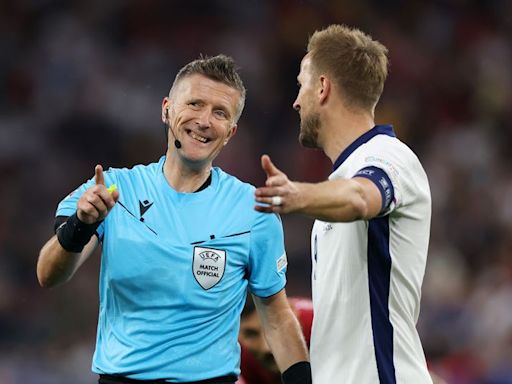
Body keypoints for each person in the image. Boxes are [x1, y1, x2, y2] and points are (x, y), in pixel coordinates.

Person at [37, 55, 311, 384]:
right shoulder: (112, 188)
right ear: (166, 109)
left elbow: (277, 317)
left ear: (231, 132)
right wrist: (80, 225)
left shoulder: (253, 210)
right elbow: (48, 274)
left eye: (220, 113)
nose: (205, 120)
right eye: (195, 103)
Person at [254, 25, 433, 383]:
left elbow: (360, 197)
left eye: (301, 83)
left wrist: (296, 195)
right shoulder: (342, 177)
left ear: (322, 87)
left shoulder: (389, 156)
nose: (296, 100)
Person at [238, 296, 313, 384]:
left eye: (274, 327)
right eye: (251, 334)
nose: (267, 348)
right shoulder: (242, 357)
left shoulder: (318, 323)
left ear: (293, 312)